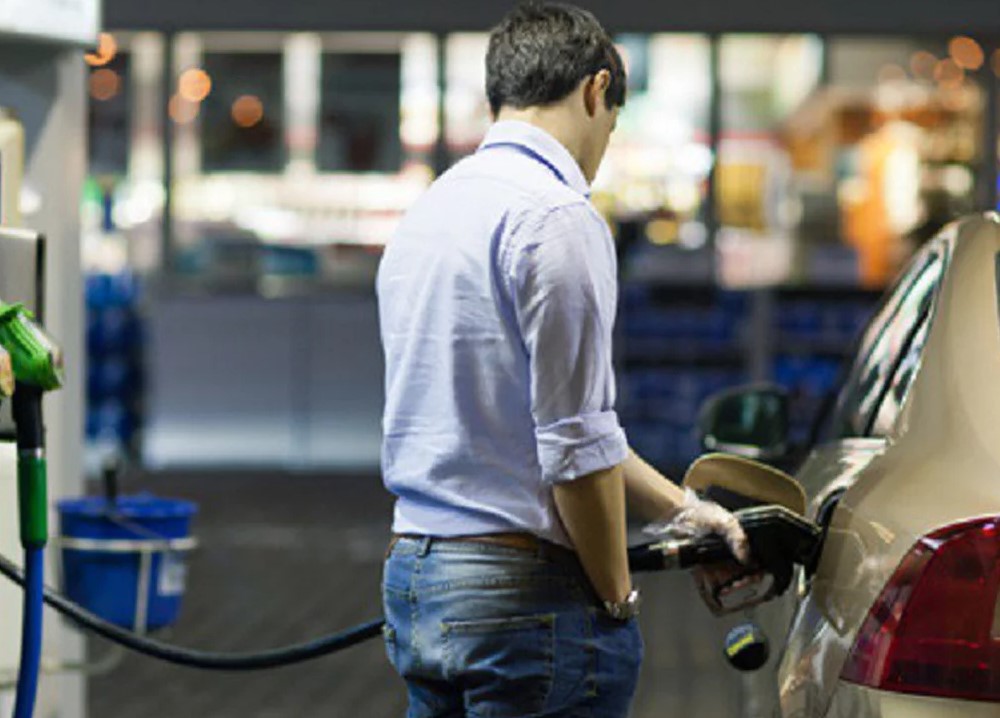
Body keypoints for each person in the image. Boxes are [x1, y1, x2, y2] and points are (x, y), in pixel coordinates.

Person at [376, 3, 748, 716]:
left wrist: (683, 511)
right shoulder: (556, 216)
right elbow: (574, 448)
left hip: (419, 578)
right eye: (613, 121)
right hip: (523, 597)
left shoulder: (431, 211)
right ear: (595, 90)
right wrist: (614, 598)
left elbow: (547, 427)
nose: (605, 143)